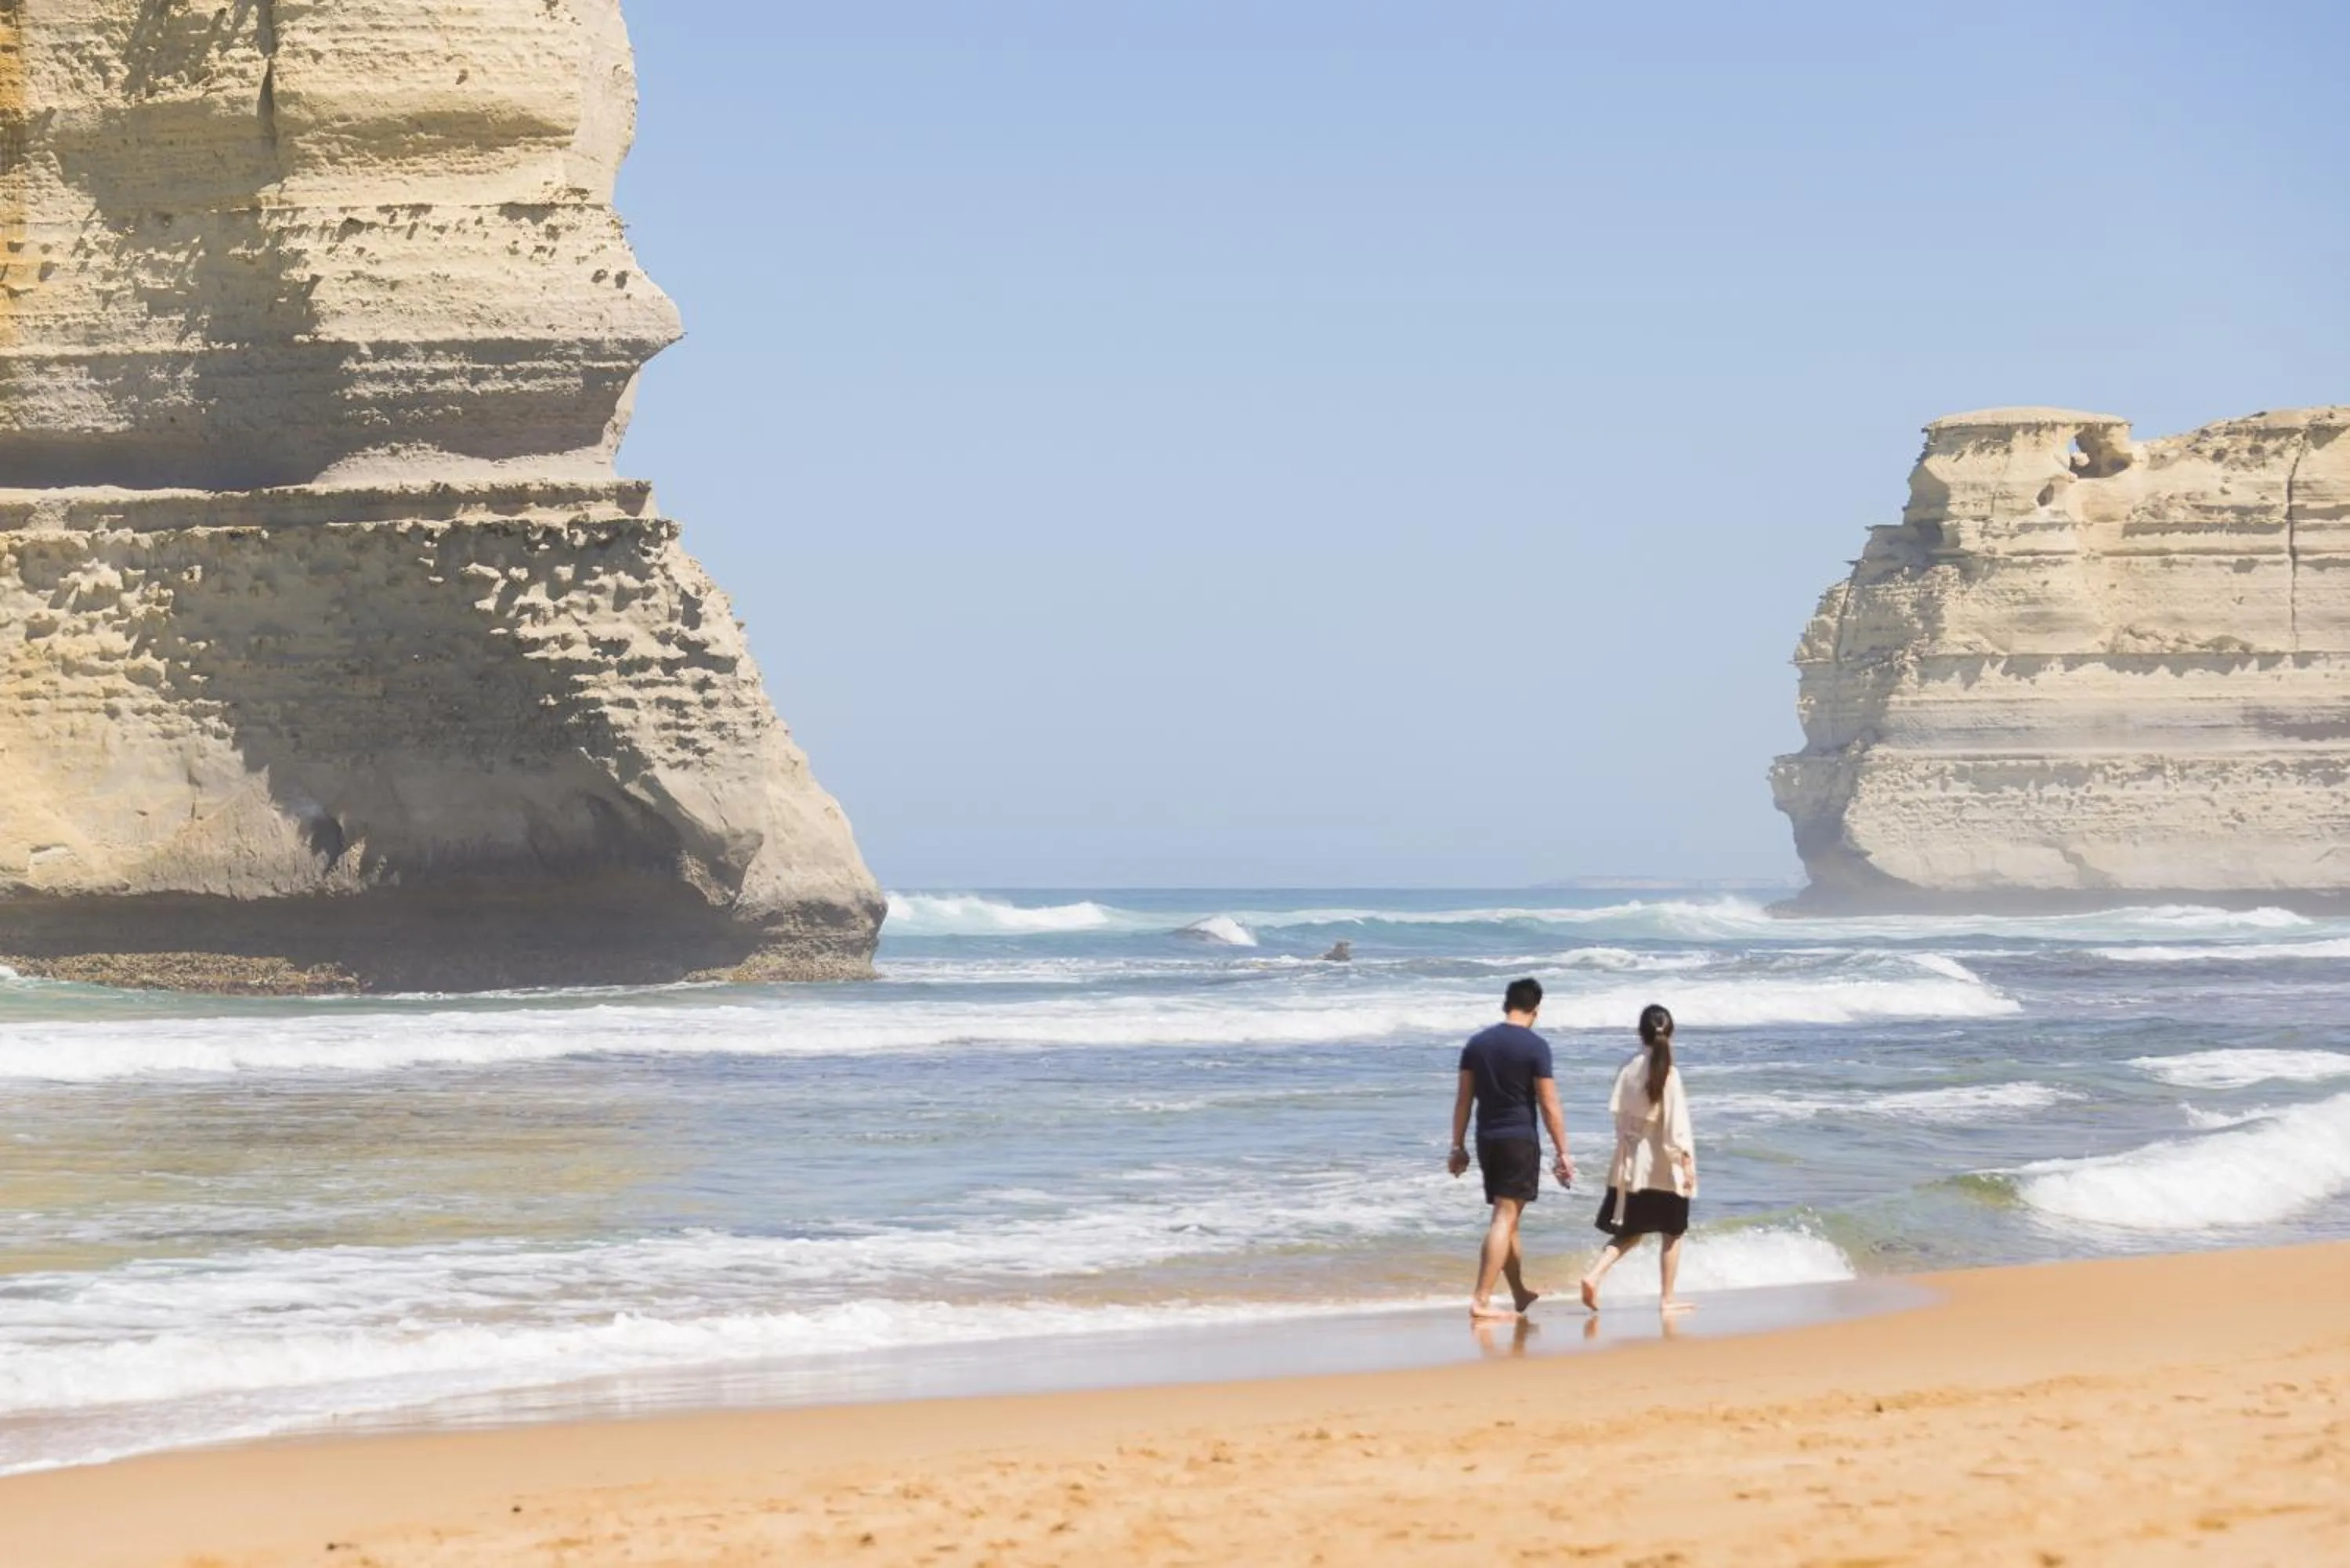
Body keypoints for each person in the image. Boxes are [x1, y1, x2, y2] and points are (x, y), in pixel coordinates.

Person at [1448, 977, 1574, 1321]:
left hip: (1486, 1139)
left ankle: (1519, 1292)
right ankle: (1481, 1300)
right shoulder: (1535, 1047)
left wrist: (1457, 1146)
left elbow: (1464, 1101)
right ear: (1536, 1009)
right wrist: (1563, 1152)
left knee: (1510, 1217)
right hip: (1519, 1139)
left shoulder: (1476, 1045)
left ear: (1506, 1004)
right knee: (1505, 1217)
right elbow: (1549, 1104)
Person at [1579, 1003, 1697, 1313]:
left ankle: (1594, 1275)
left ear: (1640, 1033)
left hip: (1631, 1163)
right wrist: (1686, 1165)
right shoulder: (1669, 1073)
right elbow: (1676, 1129)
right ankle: (1667, 1299)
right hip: (1661, 1165)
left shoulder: (1627, 1067)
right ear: (1670, 1034)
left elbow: (1618, 1116)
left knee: (1630, 1231)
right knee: (1673, 1232)